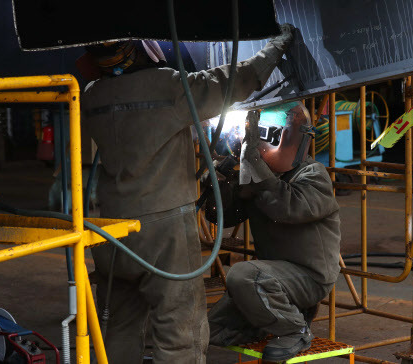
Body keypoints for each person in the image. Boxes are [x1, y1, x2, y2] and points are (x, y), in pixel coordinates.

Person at [80, 25, 294, 364]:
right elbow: (237, 79)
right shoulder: (167, 85)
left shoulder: (91, 95)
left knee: (118, 325)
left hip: (109, 229)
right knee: (179, 328)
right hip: (163, 229)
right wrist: (278, 45)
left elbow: (142, 130)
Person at [206, 102, 341, 363]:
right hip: (272, 279)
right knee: (214, 330)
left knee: (242, 274)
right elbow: (224, 215)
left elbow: (286, 208)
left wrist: (253, 165)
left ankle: (296, 330)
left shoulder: (313, 175)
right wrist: (219, 183)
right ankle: (274, 319)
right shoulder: (260, 180)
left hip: (309, 278)